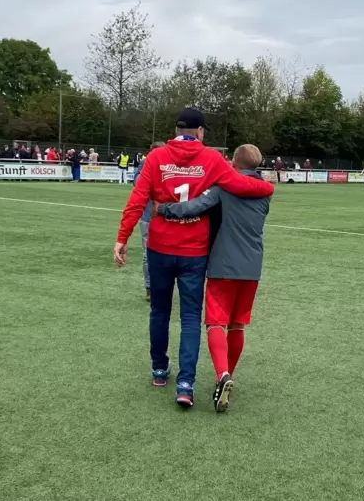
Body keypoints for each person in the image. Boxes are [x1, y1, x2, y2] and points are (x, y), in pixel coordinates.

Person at [113, 108, 275, 408]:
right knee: (190, 318)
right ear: (200, 132)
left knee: (159, 311)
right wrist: (268, 186)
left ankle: (160, 371)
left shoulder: (156, 157)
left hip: (160, 247)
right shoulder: (213, 160)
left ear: (176, 130)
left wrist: (122, 238)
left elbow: (137, 199)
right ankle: (186, 385)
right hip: (194, 251)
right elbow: (241, 184)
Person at [155, 144, 270, 413]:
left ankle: (222, 375)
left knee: (215, 322)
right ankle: (228, 375)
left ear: (234, 163)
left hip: (223, 264)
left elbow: (195, 207)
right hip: (253, 266)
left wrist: (164, 210)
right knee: (238, 325)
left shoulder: (224, 187)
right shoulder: (265, 193)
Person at [132, 142, 166, 303]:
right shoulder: (145, 165)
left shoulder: (170, 166)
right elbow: (138, 182)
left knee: (167, 255)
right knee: (148, 255)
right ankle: (150, 288)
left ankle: (161, 287)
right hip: (148, 217)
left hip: (167, 217)